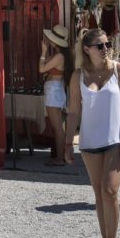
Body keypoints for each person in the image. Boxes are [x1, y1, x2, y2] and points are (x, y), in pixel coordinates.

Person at [65, 29, 120, 238]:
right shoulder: (78, 75)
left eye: (108, 44)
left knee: (110, 190)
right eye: (100, 45)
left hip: (117, 140)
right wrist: (66, 143)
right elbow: (73, 111)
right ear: (86, 49)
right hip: (89, 141)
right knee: (98, 194)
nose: (106, 48)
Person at [40, 24, 74, 166]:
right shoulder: (60, 55)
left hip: (53, 90)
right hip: (56, 89)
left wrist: (43, 52)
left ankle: (60, 158)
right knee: (58, 127)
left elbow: (41, 69)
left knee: (58, 128)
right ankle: (61, 156)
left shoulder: (59, 56)